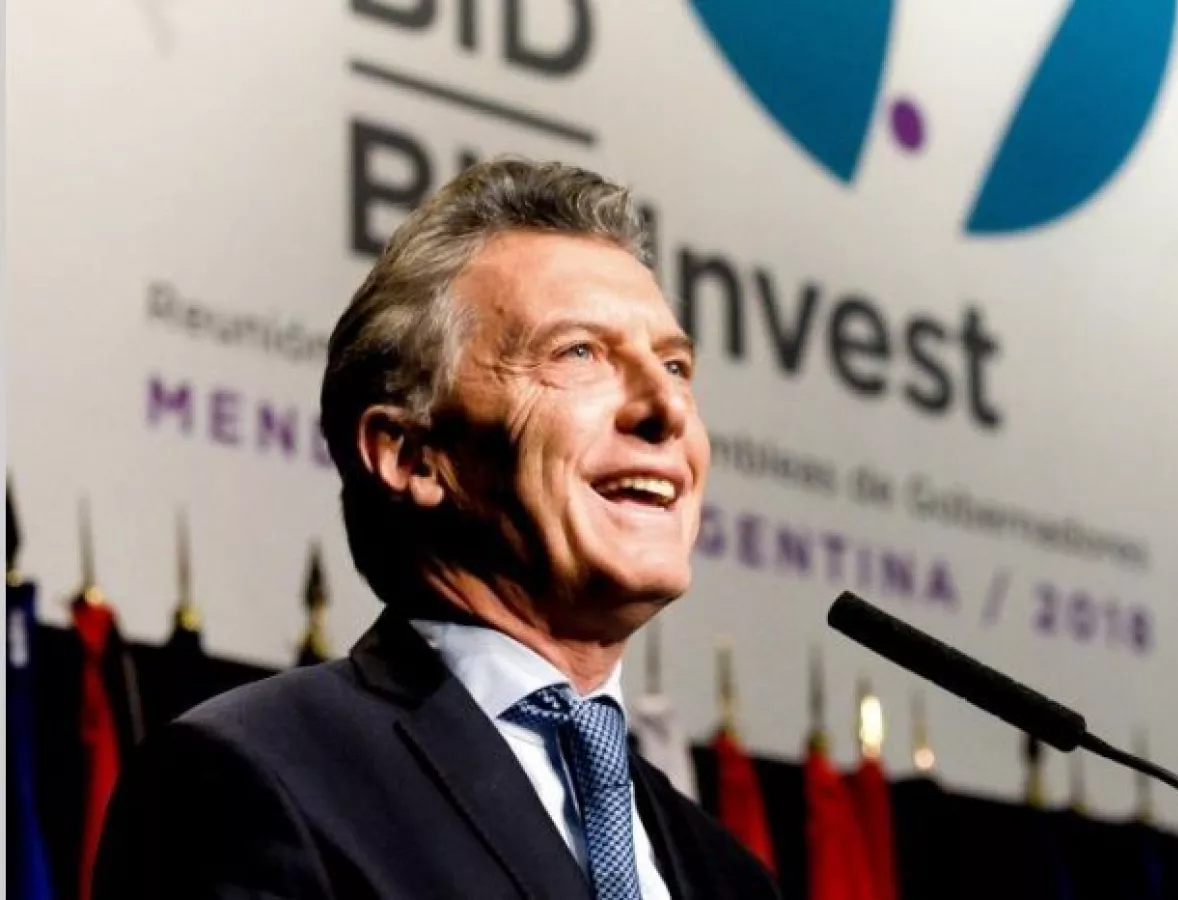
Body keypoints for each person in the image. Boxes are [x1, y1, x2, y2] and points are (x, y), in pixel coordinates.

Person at [92, 159, 780, 899]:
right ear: (411, 456)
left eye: (674, 366)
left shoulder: (728, 875)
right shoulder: (251, 781)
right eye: (579, 352)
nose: (666, 409)